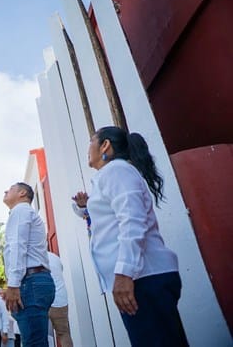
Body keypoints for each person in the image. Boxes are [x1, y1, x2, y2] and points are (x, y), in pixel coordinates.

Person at [72, 126, 188, 346]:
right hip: (139, 278)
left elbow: (133, 221)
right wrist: (84, 208)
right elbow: (110, 222)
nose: (88, 148)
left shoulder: (117, 171)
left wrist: (124, 273)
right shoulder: (111, 175)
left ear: (105, 145)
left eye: (91, 141)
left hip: (142, 278)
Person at [3, 182, 55, 347]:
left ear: (22, 193)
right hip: (35, 280)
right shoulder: (25, 212)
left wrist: (13, 284)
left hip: (30, 282)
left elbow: (18, 245)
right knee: (35, 341)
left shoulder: (20, 210)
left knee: (33, 342)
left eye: (10, 188)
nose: (6, 190)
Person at [47, 252, 73, 347]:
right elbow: (61, 270)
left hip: (44, 299)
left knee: (43, 335)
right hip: (61, 299)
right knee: (64, 333)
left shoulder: (35, 257)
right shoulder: (55, 258)